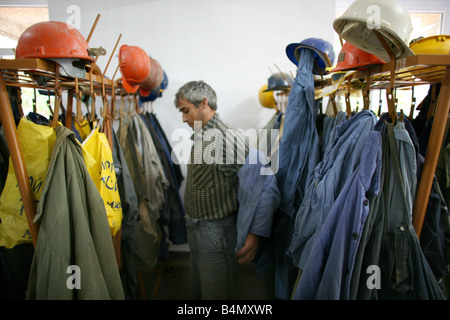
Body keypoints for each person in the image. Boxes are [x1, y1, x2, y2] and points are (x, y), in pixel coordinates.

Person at [174, 80, 261, 299]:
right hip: (198, 229)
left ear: (203, 103)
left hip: (215, 234)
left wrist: (255, 233)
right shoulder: (204, 135)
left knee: (217, 294)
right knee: (200, 290)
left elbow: (263, 185)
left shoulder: (227, 138)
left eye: (186, 111)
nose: (183, 118)